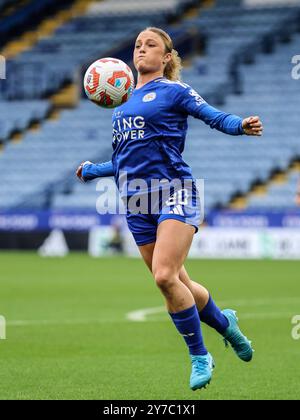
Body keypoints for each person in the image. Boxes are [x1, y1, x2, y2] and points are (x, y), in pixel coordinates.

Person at [76, 27, 263, 391]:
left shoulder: (173, 91)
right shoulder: (121, 104)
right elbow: (123, 161)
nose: (141, 49)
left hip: (174, 191)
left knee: (164, 276)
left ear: (166, 58)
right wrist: (93, 170)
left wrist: (240, 125)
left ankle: (199, 355)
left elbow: (212, 115)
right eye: (137, 45)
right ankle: (227, 325)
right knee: (179, 283)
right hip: (136, 202)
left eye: (151, 45)